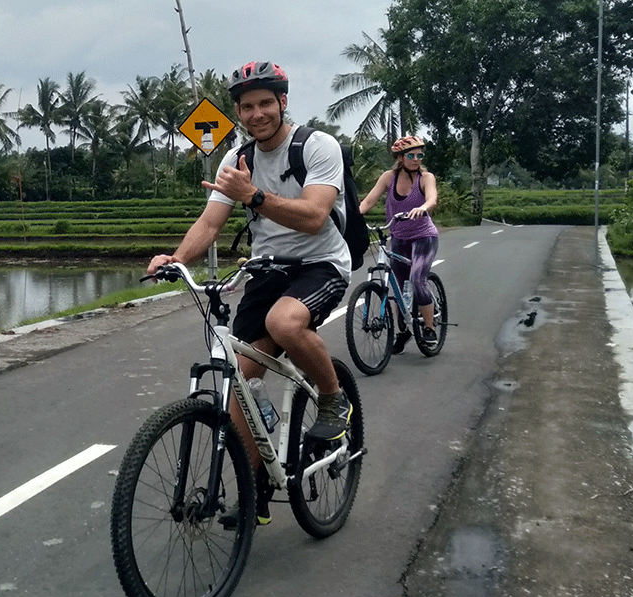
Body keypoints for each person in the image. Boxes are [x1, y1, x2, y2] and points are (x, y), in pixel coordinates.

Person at [146, 61, 353, 525]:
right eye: (246, 106)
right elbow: (210, 222)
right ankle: (253, 486)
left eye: (265, 103)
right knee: (239, 379)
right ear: (237, 112)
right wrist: (176, 259)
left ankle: (333, 396)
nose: (256, 113)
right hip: (267, 270)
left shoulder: (317, 147)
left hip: (321, 266)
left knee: (284, 323)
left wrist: (254, 197)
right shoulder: (236, 160)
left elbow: (316, 217)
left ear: (282, 102)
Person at [358, 135, 440, 352]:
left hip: (424, 237)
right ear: (400, 158)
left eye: (420, 155)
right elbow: (369, 200)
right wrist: (354, 215)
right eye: (411, 155)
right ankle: (403, 331)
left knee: (417, 278)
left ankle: (430, 327)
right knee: (396, 283)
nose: (416, 159)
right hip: (399, 236)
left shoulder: (425, 177)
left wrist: (424, 207)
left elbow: (431, 198)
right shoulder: (388, 177)